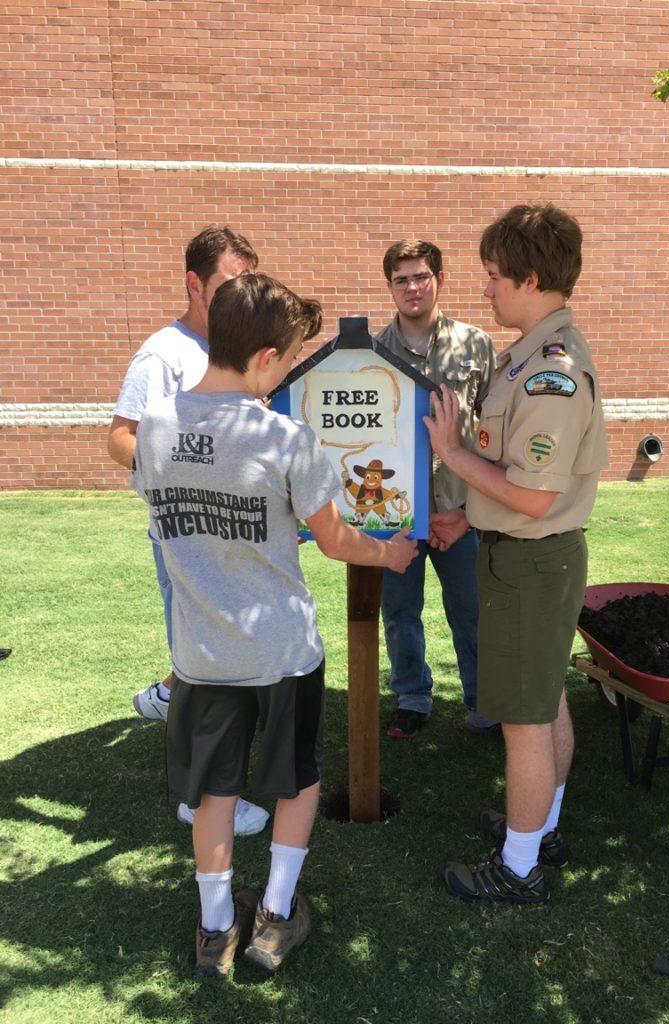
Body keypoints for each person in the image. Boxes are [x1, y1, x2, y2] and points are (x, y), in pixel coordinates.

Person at [132, 273, 417, 975]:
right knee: (295, 781)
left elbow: (184, 514)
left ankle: (214, 928)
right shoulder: (285, 436)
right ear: (264, 357)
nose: (288, 369)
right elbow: (337, 539)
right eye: (288, 357)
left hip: (200, 653)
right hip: (283, 651)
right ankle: (277, 915)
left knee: (214, 790)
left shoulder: (156, 424)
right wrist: (394, 553)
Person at [425, 204, 608, 904]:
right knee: (545, 700)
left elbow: (531, 497)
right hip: (528, 558)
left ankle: (520, 867)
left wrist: (449, 453)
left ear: (531, 278)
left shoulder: (549, 375)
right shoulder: (530, 357)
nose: (486, 290)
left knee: (524, 720)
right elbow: (510, 480)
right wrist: (464, 513)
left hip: (531, 562)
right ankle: (541, 829)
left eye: (496, 277)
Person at [107, 225, 266, 836]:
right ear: (193, 284)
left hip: (236, 538)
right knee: (207, 668)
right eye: (227, 285)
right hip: (186, 540)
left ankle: (172, 703)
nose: (236, 298)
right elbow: (121, 436)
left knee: (221, 661)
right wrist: (185, 474)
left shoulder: (238, 342)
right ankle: (197, 797)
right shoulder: (164, 353)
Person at [374, 239, 497, 738]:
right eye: (400, 279)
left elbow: (494, 428)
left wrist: (473, 507)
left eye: (420, 276)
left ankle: (483, 701)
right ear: (390, 287)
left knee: (471, 609)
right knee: (400, 612)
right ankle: (411, 696)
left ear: (439, 280)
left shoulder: (476, 345)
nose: (411, 287)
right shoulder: (374, 353)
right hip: (395, 513)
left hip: (459, 508)